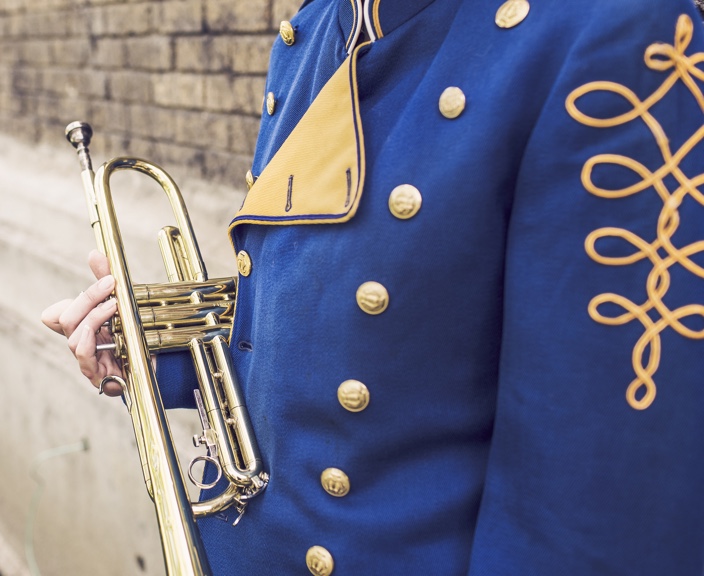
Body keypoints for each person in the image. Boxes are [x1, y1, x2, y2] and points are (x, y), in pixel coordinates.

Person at [42, 0, 704, 573]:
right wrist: (159, 345)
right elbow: (367, 309)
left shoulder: (619, 31)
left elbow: (600, 504)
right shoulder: (319, 27)